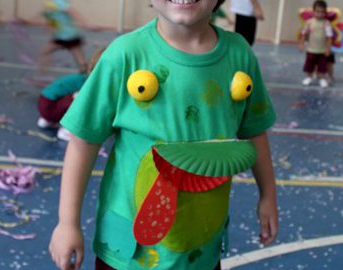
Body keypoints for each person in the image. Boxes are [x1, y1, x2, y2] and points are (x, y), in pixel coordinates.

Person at [49, 0, 278, 269]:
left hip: (201, 251)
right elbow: (83, 141)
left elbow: (255, 132)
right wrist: (67, 222)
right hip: (128, 257)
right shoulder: (125, 55)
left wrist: (268, 194)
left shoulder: (239, 55)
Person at [37, 48, 105, 141]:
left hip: (43, 104)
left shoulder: (79, 78)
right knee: (83, 100)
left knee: (75, 97)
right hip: (49, 107)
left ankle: (47, 120)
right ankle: (66, 129)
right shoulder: (86, 82)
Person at [38, 0, 88, 74]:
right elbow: (50, 20)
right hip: (62, 36)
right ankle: (86, 76)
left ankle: (87, 76)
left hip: (69, 36)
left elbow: (72, 12)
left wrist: (85, 24)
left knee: (80, 59)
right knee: (79, 58)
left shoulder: (59, 3)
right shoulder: (51, 4)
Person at [299, 0, 333, 88]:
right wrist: (301, 43)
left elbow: (329, 37)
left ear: (325, 12)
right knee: (309, 64)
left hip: (322, 50)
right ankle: (309, 77)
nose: (319, 14)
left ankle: (321, 78)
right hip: (311, 49)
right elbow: (304, 34)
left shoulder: (327, 23)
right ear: (313, 11)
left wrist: (328, 48)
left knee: (322, 66)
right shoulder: (309, 22)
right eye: (317, 11)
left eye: (322, 12)